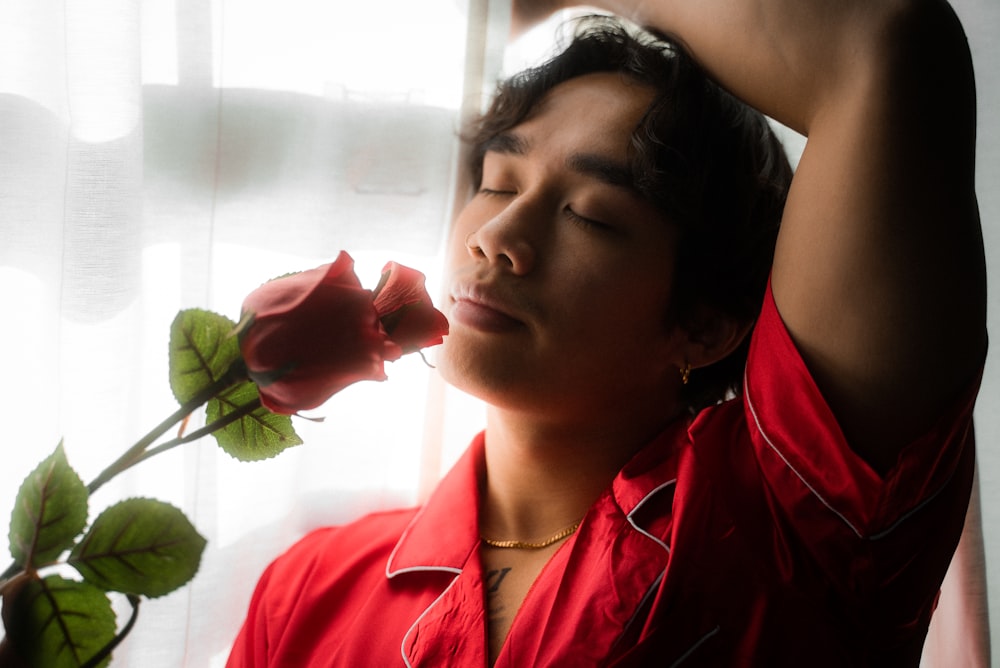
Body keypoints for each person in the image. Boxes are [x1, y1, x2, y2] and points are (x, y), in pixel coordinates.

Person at [227, 0, 986, 664]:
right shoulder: (307, 591)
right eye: (498, 181)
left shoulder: (789, 527)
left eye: (591, 214)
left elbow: (892, 46)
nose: (499, 236)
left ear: (707, 323)